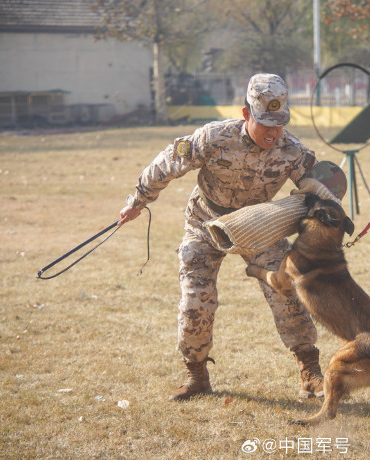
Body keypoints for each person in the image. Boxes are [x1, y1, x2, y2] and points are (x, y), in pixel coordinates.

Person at [118, 74, 325, 401]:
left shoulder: (292, 151)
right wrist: (138, 201)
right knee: (195, 302)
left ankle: (310, 371)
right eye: (265, 123)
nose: (273, 132)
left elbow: (319, 186)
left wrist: (328, 205)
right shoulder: (212, 138)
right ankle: (197, 375)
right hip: (205, 223)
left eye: (279, 123)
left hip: (258, 226)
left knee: (287, 289)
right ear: (246, 114)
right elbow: (168, 162)